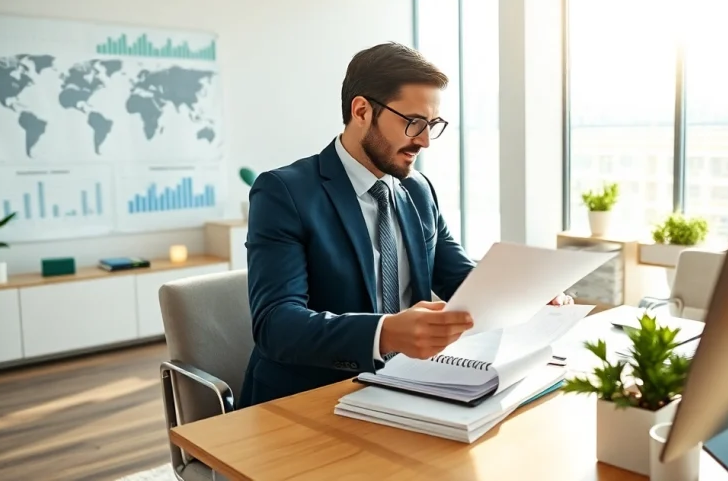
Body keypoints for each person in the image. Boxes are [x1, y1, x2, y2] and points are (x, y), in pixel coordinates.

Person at [238, 42, 570, 407]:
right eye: (413, 123)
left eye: (433, 125)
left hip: (406, 387)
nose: (425, 141)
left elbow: (460, 277)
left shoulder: (418, 190)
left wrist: (525, 297)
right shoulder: (285, 192)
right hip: (307, 400)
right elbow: (276, 325)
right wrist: (385, 333)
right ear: (361, 110)